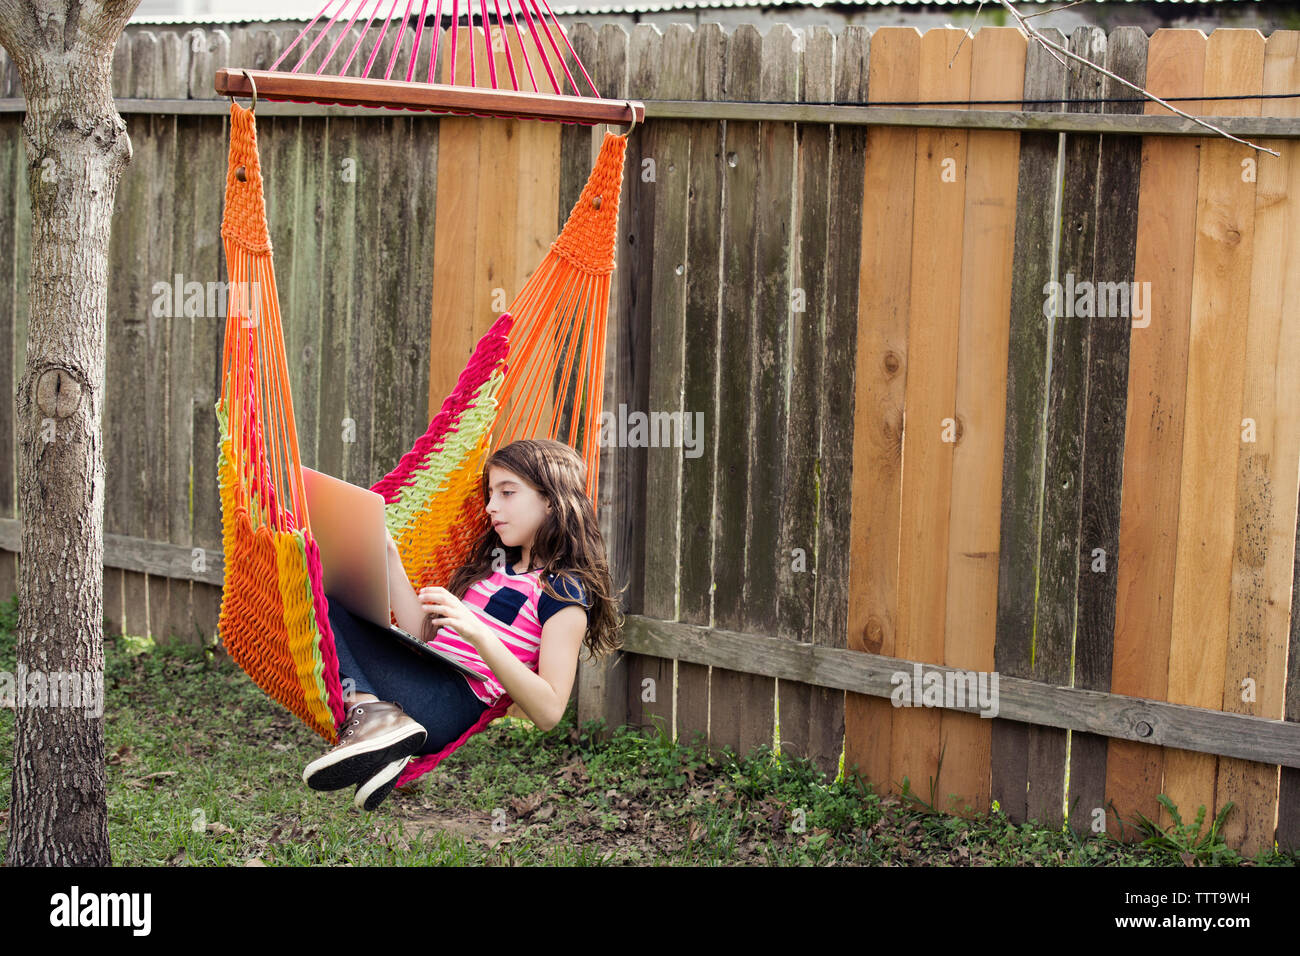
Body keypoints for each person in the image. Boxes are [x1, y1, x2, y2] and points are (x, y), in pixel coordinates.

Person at [302, 438, 623, 811]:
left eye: (507, 493)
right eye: (491, 494)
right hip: (424, 670)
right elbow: (425, 634)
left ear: (551, 501)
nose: (491, 507)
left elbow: (549, 710)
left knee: (323, 603)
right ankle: (385, 735)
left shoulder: (563, 590)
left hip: (450, 700)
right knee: (323, 595)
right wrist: (388, 555)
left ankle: (375, 718)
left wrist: (479, 632)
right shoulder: (492, 566)